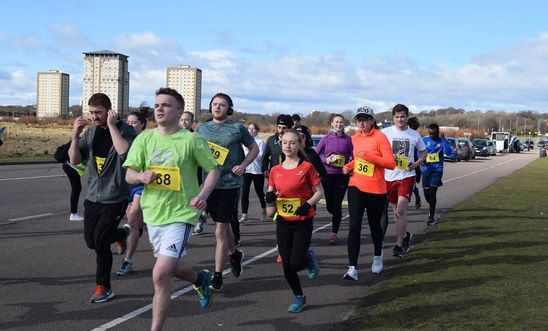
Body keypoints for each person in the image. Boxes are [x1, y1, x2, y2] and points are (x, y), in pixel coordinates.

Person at [124, 87, 220, 330]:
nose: (159, 108)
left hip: (182, 214)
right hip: (153, 212)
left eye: (166, 105)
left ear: (179, 111)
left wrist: (202, 194)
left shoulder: (191, 139)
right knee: (168, 266)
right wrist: (141, 176)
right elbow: (129, 174)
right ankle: (200, 278)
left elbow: (213, 170)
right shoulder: (144, 138)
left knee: (160, 274)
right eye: (157, 105)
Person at [68, 93, 136, 303]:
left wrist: (112, 126)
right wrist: (75, 135)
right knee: (91, 241)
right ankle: (120, 234)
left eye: (98, 112)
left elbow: (125, 153)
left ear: (109, 110)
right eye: (91, 113)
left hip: (116, 196)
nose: (94, 116)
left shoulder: (127, 130)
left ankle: (103, 287)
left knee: (99, 241)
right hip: (94, 196)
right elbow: (74, 159)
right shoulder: (91, 133)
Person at [196, 92, 259, 291]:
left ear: (228, 108)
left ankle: (217, 275)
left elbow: (254, 148)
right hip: (208, 185)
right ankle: (235, 254)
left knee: (220, 229)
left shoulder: (237, 128)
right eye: (215, 104)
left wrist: (243, 165)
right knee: (223, 228)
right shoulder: (202, 128)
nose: (218, 107)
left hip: (230, 184)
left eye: (222, 105)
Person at [265, 129, 323, 313]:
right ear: (281, 145)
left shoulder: (307, 167)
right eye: (284, 143)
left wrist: (308, 204)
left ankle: (308, 257)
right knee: (287, 264)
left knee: (296, 263)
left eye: (292, 142)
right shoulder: (275, 170)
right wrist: (269, 200)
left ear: (299, 145)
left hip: (303, 221)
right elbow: (270, 203)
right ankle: (299, 295)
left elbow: (319, 191)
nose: (288, 146)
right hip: (283, 221)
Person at [341, 106, 395, 280]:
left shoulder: (380, 138)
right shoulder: (354, 138)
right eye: (358, 119)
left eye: (365, 119)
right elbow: (357, 160)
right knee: (354, 225)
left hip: (376, 189)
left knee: (374, 226)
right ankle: (352, 268)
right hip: (356, 184)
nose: (361, 122)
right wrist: (347, 167)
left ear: (372, 121)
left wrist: (371, 157)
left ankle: (378, 256)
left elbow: (391, 163)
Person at [383, 104, 426, 258]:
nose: (400, 119)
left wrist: (415, 164)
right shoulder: (385, 133)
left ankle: (399, 245)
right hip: (389, 177)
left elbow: (423, 154)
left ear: (407, 117)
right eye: (397, 117)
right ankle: (406, 235)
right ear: (393, 118)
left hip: (407, 176)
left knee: (401, 211)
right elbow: (379, 151)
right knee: (396, 213)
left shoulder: (414, 135)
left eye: (402, 116)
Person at [116, 107, 149, 276]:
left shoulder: (148, 139)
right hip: (125, 183)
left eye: (134, 122)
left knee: (133, 215)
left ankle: (127, 260)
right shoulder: (123, 137)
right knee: (135, 221)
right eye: (128, 122)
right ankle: (129, 231)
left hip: (142, 184)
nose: (130, 124)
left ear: (143, 124)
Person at [315, 114, 353, 245]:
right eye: (336, 122)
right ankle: (337, 215)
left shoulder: (348, 140)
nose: (339, 124)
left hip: (342, 176)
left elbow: (353, 157)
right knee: (330, 206)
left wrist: (349, 164)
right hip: (328, 175)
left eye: (341, 122)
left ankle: (334, 233)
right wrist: (326, 160)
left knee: (337, 205)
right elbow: (316, 155)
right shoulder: (326, 138)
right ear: (331, 124)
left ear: (344, 124)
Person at [179, 111, 209, 235]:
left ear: (192, 122)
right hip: (178, 174)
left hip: (195, 172)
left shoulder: (197, 137)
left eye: (186, 120)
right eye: (181, 120)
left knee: (193, 199)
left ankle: (199, 219)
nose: (184, 122)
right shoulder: (173, 136)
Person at [421, 123, 452, 226]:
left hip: (437, 170)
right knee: (426, 194)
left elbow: (448, 152)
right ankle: (432, 206)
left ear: (438, 133)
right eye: (430, 134)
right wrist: (422, 159)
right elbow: (419, 152)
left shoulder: (441, 140)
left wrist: (443, 139)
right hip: (426, 170)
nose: (432, 136)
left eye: (434, 134)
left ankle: (431, 217)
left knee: (432, 192)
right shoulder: (424, 140)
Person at [239, 122, 267, 223]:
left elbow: (262, 157)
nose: (251, 130)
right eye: (249, 129)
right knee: (244, 192)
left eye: (253, 129)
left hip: (257, 171)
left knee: (259, 192)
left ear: (257, 130)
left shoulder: (261, 142)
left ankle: (263, 209)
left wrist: (252, 152)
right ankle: (244, 215)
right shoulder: (244, 142)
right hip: (246, 170)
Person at [407, 117, 422, 209]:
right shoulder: (401, 133)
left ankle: (416, 197)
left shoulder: (417, 136)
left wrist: (419, 163)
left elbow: (423, 152)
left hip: (413, 164)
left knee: (411, 185)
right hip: (400, 164)